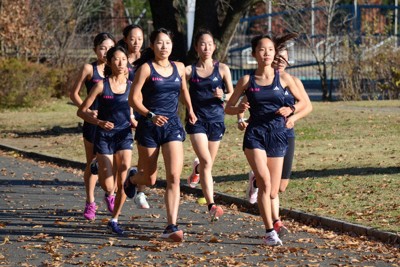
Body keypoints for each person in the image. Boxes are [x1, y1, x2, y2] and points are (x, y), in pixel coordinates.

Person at [225, 33, 307, 246]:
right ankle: (270, 231)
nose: (267, 53)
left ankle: (261, 193)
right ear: (254, 54)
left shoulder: (285, 79)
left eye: (270, 49)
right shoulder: (247, 81)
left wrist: (291, 109)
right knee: (265, 182)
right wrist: (240, 109)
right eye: (262, 50)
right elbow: (228, 108)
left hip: (278, 135)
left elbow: (304, 103)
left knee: (273, 191)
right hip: (255, 135)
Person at [124, 28, 197, 242]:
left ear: (172, 46)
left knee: (174, 177)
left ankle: (171, 225)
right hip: (149, 126)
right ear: (152, 46)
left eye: (167, 43)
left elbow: (184, 91)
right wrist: (150, 114)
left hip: (172, 125)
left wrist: (191, 110)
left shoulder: (179, 67)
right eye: (159, 43)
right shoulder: (146, 69)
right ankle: (132, 179)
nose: (164, 47)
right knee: (150, 178)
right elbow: (133, 98)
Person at [77, 46, 134, 235]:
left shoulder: (132, 86)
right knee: (109, 185)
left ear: (127, 62)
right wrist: (99, 121)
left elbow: (134, 112)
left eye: (123, 59)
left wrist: (136, 121)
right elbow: (81, 111)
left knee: (124, 177)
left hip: (124, 134)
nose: (120, 63)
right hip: (104, 137)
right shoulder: (102, 85)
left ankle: (115, 218)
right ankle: (101, 174)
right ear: (109, 62)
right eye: (116, 59)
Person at [185, 29, 233, 221]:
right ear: (196, 47)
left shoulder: (222, 69)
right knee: (206, 161)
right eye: (202, 44)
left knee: (207, 165)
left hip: (216, 121)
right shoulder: (189, 71)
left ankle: (196, 172)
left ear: (214, 46)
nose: (206, 47)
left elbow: (232, 94)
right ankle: (212, 205)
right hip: (197, 121)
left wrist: (222, 96)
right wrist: (189, 109)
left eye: (209, 44)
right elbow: (181, 90)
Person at [69, 32, 115, 220]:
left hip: (113, 123)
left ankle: (110, 194)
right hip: (93, 122)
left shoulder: (119, 68)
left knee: (114, 163)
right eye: (102, 48)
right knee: (93, 163)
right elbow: (74, 93)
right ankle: (90, 203)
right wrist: (86, 111)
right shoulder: (90, 68)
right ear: (95, 49)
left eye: (110, 48)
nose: (106, 52)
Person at [117, 24, 150, 209]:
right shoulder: (121, 59)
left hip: (144, 109)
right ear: (125, 39)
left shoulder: (147, 58)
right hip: (123, 110)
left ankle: (140, 191)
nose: (136, 42)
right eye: (132, 38)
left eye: (139, 38)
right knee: (122, 153)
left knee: (145, 154)